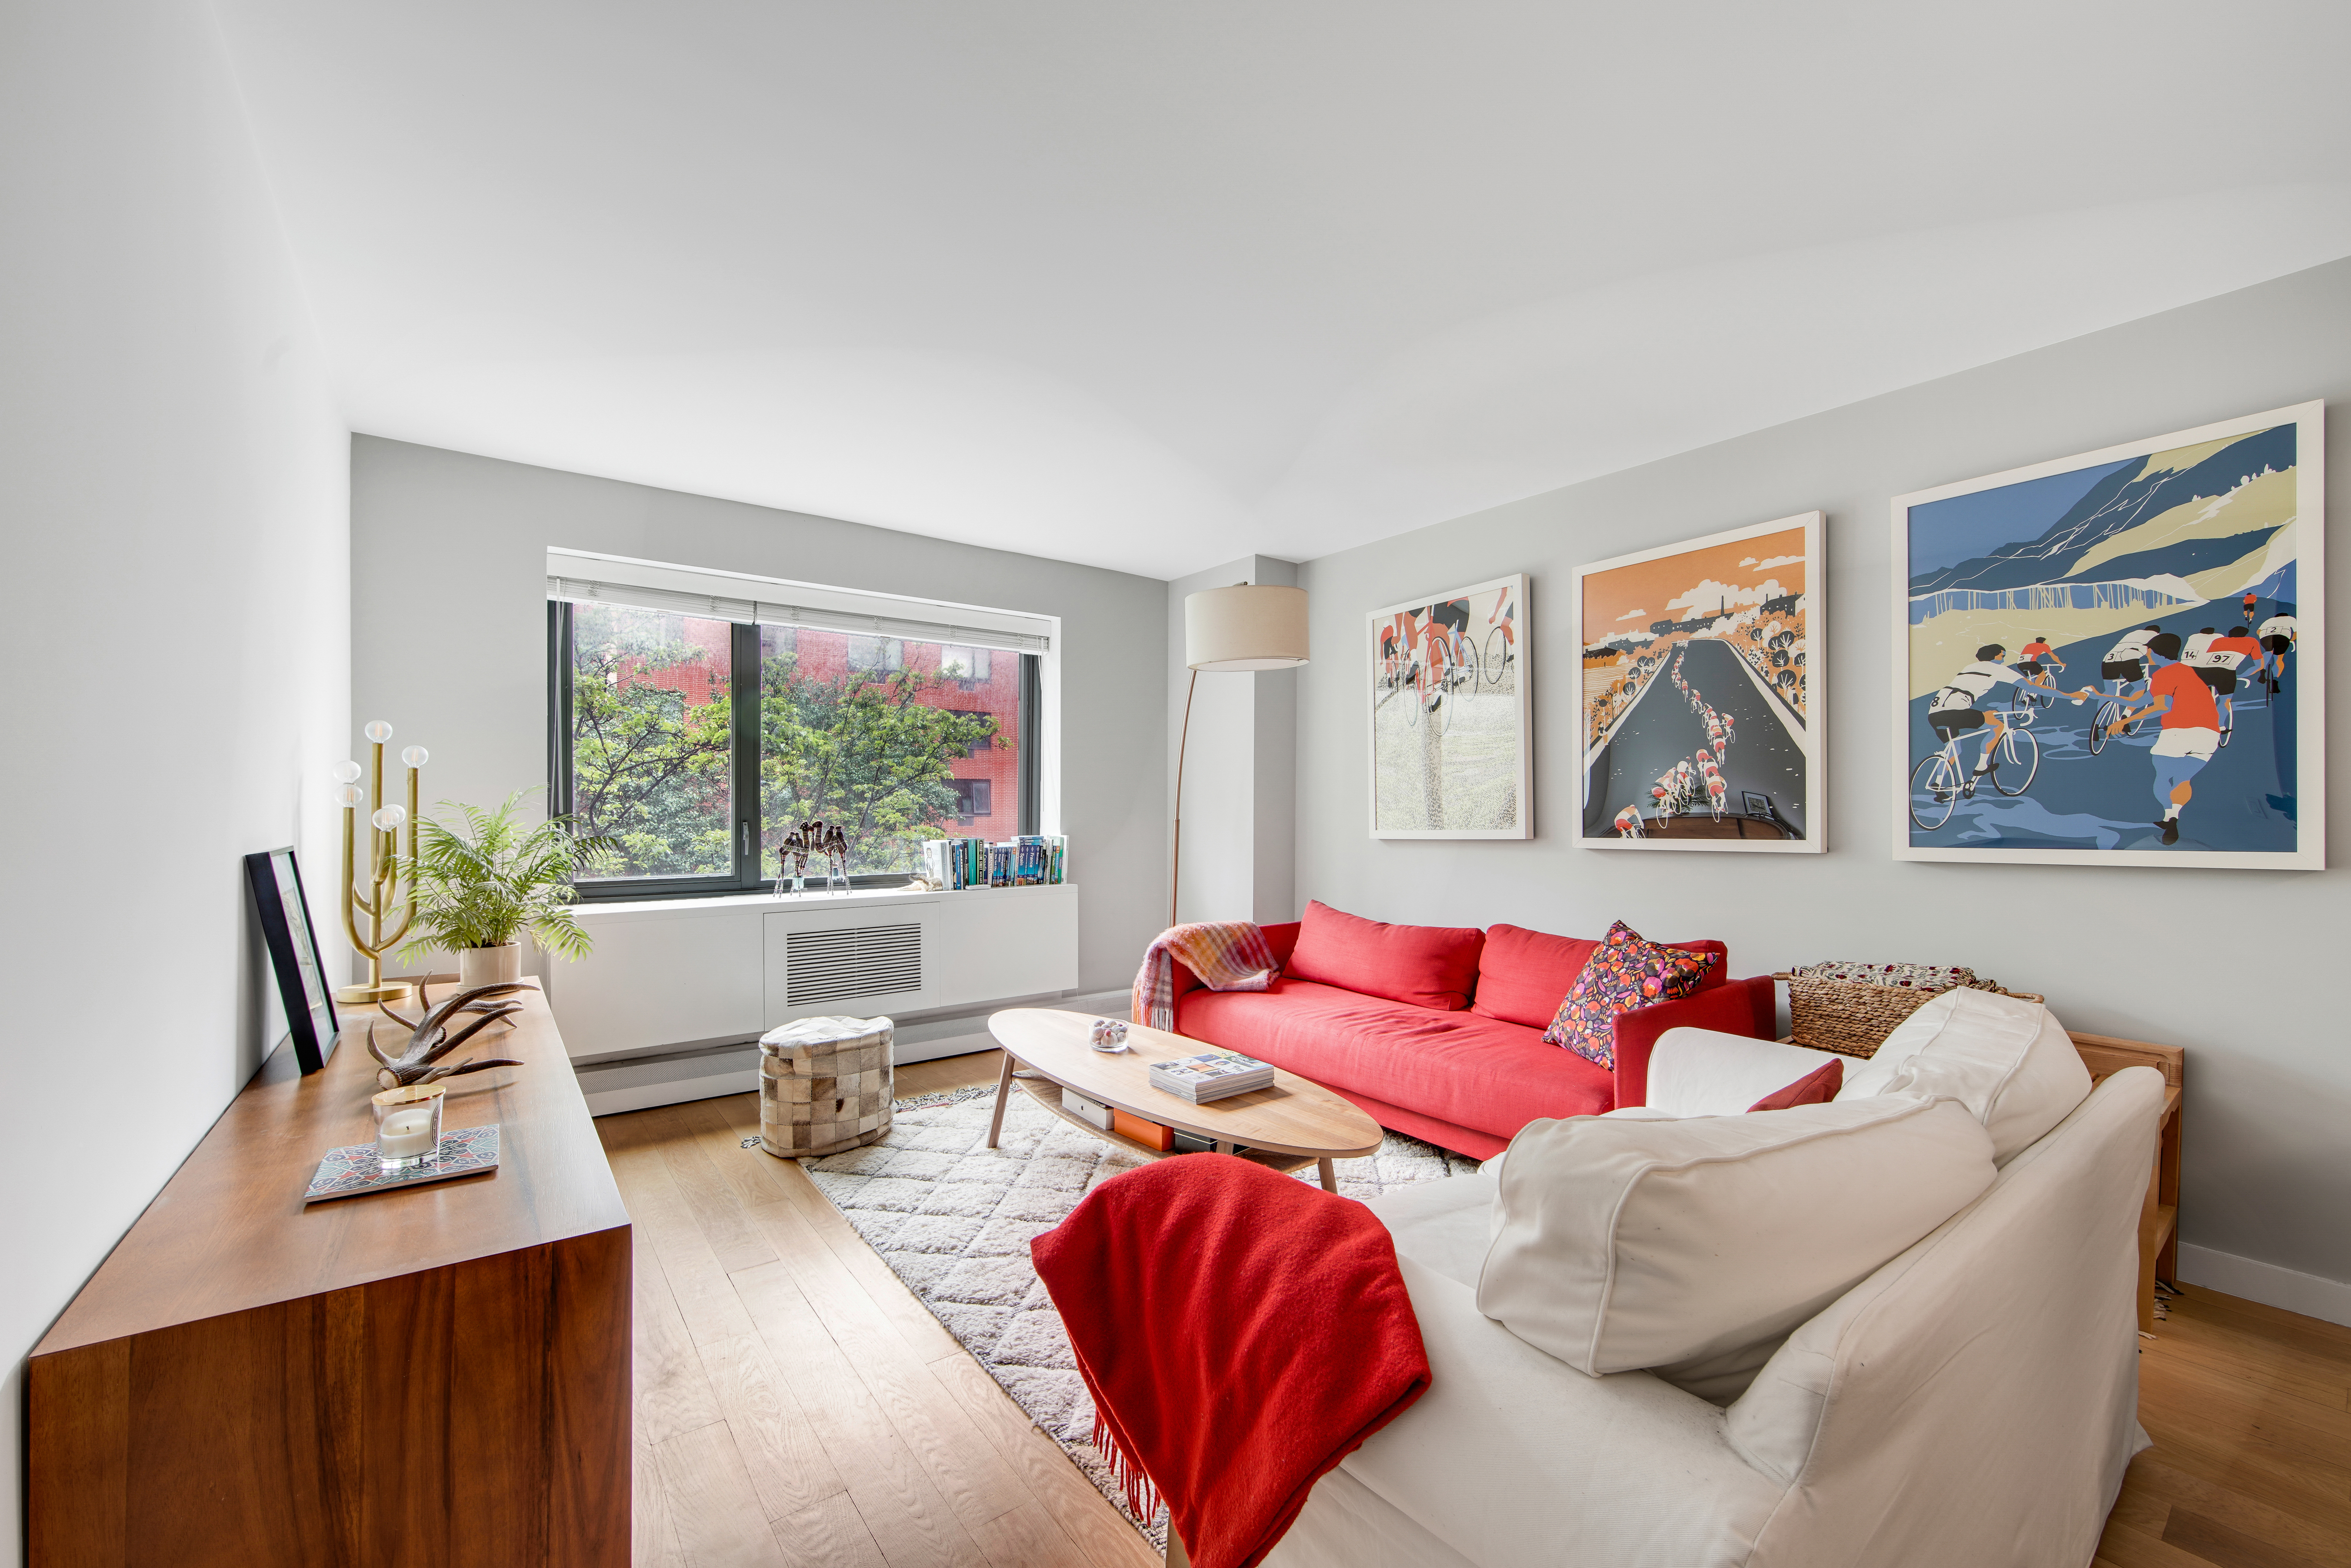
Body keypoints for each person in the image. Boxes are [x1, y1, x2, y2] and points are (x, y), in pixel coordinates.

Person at [2108, 632, 2222, 846]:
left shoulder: (2164, 674)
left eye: (2149, 650)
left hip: (2179, 731)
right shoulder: (2187, 671)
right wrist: (2102, 697)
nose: (2147, 654)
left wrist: (2125, 721)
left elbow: (2162, 706)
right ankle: (2173, 817)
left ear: (2156, 652)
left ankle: (2169, 815)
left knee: (2163, 776)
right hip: (2209, 734)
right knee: (2184, 779)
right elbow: (2144, 700)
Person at [1926, 644, 2032, 792]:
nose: (2003, 661)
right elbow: (2032, 688)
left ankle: (1937, 783)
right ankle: (1982, 766)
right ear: (1994, 656)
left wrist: (1984, 715)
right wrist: (2066, 695)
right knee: (1997, 726)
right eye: (2002, 656)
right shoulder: (1995, 668)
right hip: (1954, 713)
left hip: (1934, 716)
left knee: (1955, 750)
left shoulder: (1970, 668)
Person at [2101, 625, 2162, 696]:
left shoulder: (2133, 633)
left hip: (2108, 659)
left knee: (2110, 691)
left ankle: (2102, 702)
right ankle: (2131, 704)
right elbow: (2155, 652)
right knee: (2140, 688)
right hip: (2128, 658)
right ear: (2157, 632)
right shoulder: (2155, 635)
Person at [2256, 610, 2298, 693]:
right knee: (2279, 659)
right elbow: (2296, 633)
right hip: (2282, 637)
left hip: (2265, 637)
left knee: (2269, 652)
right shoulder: (2291, 619)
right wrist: (2291, 640)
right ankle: (2275, 681)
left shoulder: (2270, 620)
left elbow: (2258, 632)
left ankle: (2263, 670)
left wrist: (2263, 637)